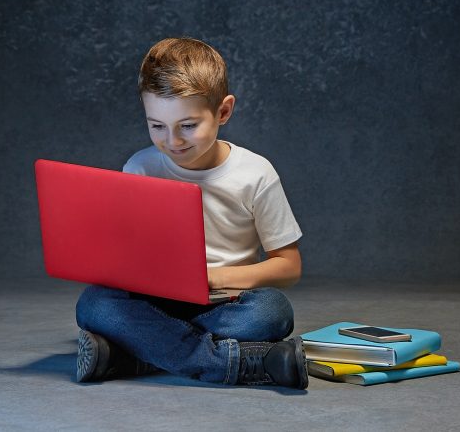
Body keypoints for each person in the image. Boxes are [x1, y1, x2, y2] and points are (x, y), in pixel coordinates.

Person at [74, 37, 308, 388]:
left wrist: (213, 277)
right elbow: (125, 252)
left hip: (223, 304)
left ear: (223, 112)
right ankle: (242, 363)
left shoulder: (256, 173)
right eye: (157, 125)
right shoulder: (139, 167)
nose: (173, 141)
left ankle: (133, 355)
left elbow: (289, 267)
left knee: (273, 313)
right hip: (156, 303)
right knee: (94, 304)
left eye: (188, 125)